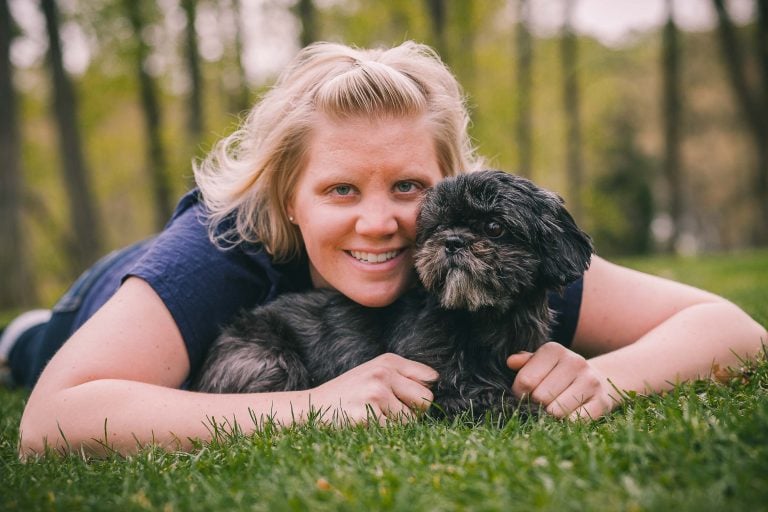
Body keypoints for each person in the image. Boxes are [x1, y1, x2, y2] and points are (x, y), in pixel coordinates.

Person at [2, 41, 764, 457]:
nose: (381, 224)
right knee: (35, 348)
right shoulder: (220, 244)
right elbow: (53, 423)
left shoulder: (475, 253)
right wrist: (308, 408)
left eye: (407, 187)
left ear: (449, 181)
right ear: (287, 198)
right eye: (340, 191)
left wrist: (603, 378)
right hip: (97, 306)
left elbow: (736, 332)